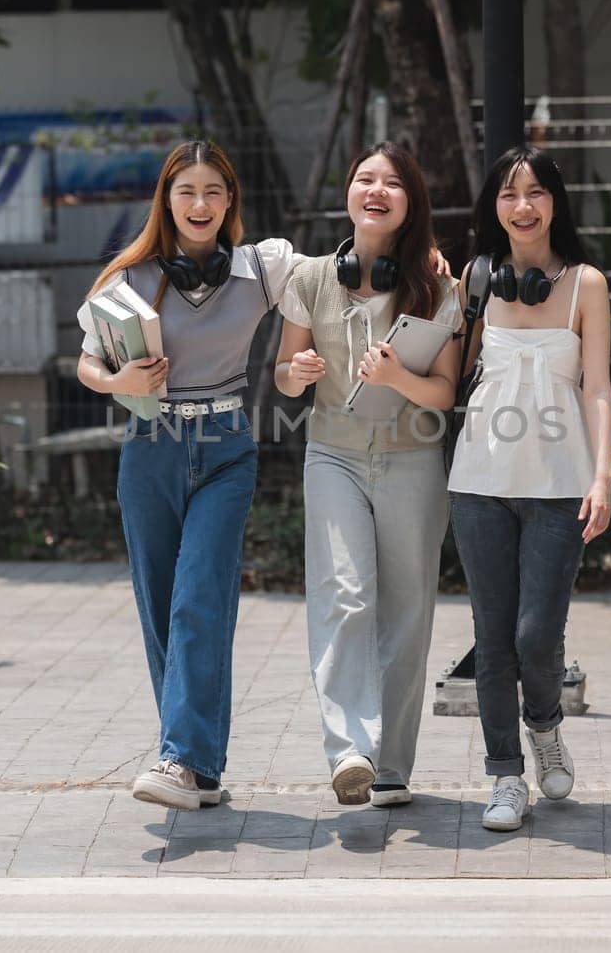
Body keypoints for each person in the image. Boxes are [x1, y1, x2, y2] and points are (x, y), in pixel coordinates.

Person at [75, 139, 295, 811]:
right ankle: (200, 766)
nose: (199, 204)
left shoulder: (264, 267)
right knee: (163, 609)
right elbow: (86, 362)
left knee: (200, 597)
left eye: (213, 191)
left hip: (227, 446)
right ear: (166, 201)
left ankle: (176, 757)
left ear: (231, 201)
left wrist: (418, 258)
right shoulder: (131, 278)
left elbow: (337, 275)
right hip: (150, 447)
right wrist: (119, 377)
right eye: (185, 191)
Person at [274, 142, 462, 808]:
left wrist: (397, 376)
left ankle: (391, 767)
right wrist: (293, 374)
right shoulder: (310, 278)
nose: (376, 190)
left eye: (392, 183)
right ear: (348, 194)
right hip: (334, 456)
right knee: (344, 595)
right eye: (364, 179)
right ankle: (349, 749)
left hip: (412, 458)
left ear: (411, 201)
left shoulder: (440, 285)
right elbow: (283, 373)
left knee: (407, 613)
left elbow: (444, 392)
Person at [448, 144, 611, 831]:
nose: (523, 206)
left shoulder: (586, 284)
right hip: (481, 482)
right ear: (495, 206)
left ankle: (544, 726)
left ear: (555, 201)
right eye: (510, 194)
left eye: (535, 192)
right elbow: (448, 360)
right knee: (492, 641)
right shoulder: (477, 280)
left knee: (536, 635)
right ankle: (505, 777)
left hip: (559, 483)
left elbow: (598, 385)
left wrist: (603, 471)